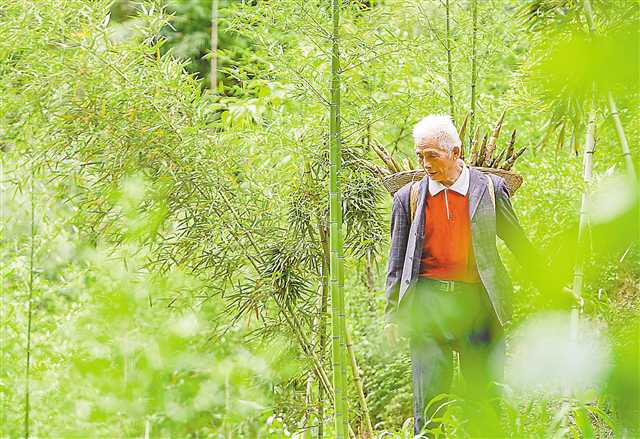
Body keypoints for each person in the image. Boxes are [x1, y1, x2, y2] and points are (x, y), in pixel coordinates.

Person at [383, 114, 539, 437]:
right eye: (420, 156)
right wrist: (392, 315)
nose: (425, 164)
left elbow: (518, 243)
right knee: (430, 408)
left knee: (485, 404)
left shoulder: (491, 190)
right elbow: (396, 263)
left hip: (479, 305)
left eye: (432, 156)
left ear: (455, 152)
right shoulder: (408, 199)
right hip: (427, 306)